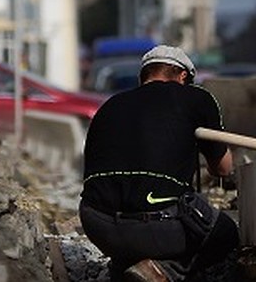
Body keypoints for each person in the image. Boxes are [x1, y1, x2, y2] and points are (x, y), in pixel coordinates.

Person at [79, 45, 238, 282]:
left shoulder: (110, 104)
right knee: (225, 233)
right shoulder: (197, 97)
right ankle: (164, 270)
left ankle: (123, 268)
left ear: (143, 75)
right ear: (183, 76)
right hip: (155, 226)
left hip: (96, 224)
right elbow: (223, 169)